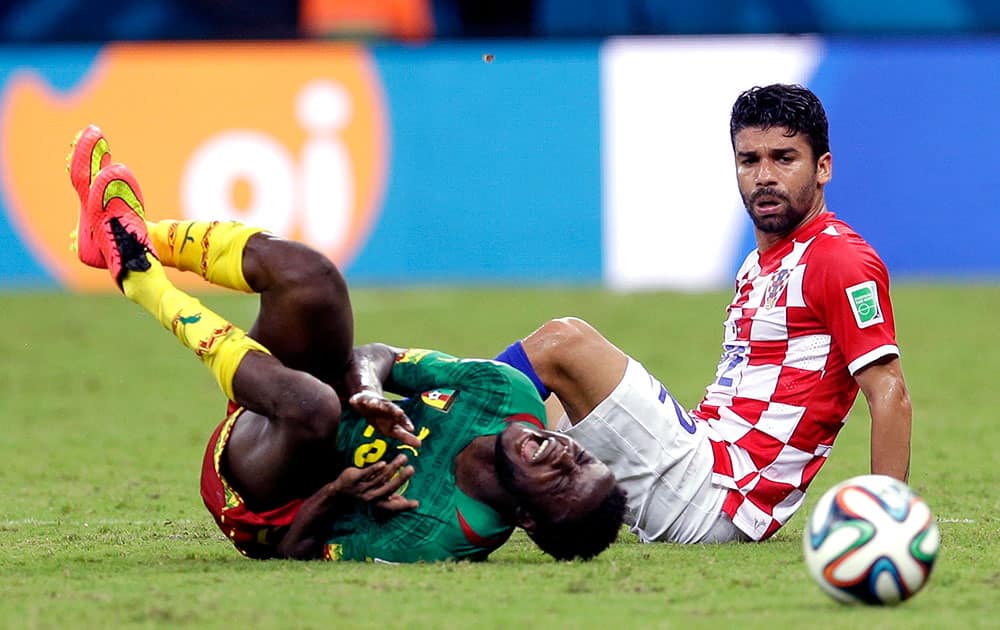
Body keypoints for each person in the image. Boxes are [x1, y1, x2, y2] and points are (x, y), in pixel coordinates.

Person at [66, 124, 626, 562]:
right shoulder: (504, 394)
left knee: (313, 408)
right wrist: (369, 389)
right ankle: (135, 237)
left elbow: (294, 552)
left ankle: (139, 280)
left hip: (268, 490)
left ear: (528, 518)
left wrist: (339, 491)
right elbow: (375, 356)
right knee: (315, 280)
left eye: (565, 480)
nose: (566, 453)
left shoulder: (440, 535)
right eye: (582, 457)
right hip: (299, 397)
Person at [495, 83, 912, 544]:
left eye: (784, 158)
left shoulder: (839, 260)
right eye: (749, 160)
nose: (764, 176)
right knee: (535, 404)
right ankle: (451, 507)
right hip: (703, 456)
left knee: (563, 342)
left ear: (823, 168)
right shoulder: (758, 264)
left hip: (722, 493)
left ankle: (436, 411)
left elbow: (889, 390)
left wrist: (885, 520)